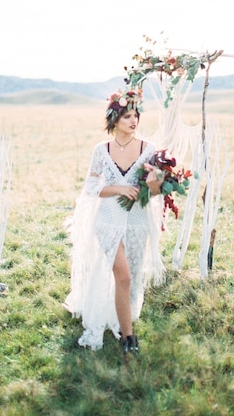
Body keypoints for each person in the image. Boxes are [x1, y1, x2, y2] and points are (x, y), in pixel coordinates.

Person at [63, 88, 165, 354]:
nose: (133, 121)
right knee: (124, 276)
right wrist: (119, 188)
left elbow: (153, 193)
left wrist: (155, 184)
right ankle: (128, 338)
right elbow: (92, 188)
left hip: (136, 220)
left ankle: (122, 318)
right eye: (127, 116)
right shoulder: (102, 150)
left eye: (136, 115)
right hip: (107, 219)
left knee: (131, 276)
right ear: (114, 119)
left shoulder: (148, 149)